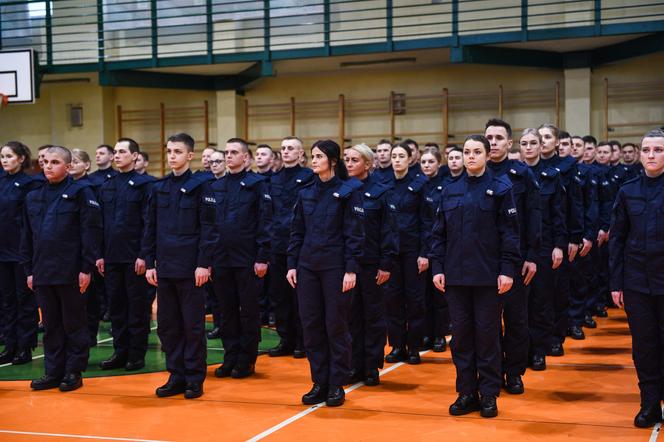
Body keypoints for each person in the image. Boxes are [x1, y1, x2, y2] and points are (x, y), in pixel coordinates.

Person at [431, 134, 520, 419]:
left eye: (476, 152)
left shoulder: (501, 187)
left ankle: (489, 394)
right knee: (461, 338)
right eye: (466, 152)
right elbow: (438, 234)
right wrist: (437, 268)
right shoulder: (449, 189)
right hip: (456, 277)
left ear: (487, 155)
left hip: (487, 278)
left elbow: (510, 233)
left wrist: (507, 270)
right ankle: (466, 392)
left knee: (487, 337)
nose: (470, 156)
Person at [287, 139, 364, 407]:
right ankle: (319, 381)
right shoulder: (305, 193)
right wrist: (292, 264)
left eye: (319, 156)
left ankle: (336, 384)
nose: (313, 160)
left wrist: (351, 269)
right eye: (312, 156)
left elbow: (355, 235)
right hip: (308, 267)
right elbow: (297, 232)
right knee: (312, 326)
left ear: (332, 160)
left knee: (336, 325)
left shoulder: (347, 192)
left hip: (335, 268)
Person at [22, 146, 102, 391]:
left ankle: (73, 372)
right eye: (45, 162)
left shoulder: (81, 192)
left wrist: (86, 268)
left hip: (71, 270)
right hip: (43, 269)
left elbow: (90, 231)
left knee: (74, 323)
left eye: (55, 162)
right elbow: (27, 236)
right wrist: (29, 270)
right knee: (51, 324)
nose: (48, 166)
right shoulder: (34, 195)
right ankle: (53, 372)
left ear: (67, 167)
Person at [144, 132, 218, 399]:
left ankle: (194, 378)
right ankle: (175, 375)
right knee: (167, 325)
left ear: (190, 155)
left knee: (192, 326)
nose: (171, 156)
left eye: (177, 151)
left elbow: (209, 228)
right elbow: (150, 227)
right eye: (169, 151)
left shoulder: (202, 186)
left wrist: (203, 264)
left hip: (190, 268)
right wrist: (149, 260)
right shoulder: (159, 188)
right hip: (165, 266)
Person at [609, 128, 664, 428]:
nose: (651, 155)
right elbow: (617, 239)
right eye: (647, 150)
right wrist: (616, 283)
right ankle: (649, 403)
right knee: (644, 345)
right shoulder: (627, 190)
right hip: (637, 281)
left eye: (658, 150)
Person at [485, 118, 540, 391]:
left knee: (516, 319)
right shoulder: (474, 174)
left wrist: (531, 255)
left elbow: (533, 217)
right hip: (483, 260)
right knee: (487, 322)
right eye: (489, 137)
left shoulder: (521, 174)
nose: (493, 142)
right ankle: (491, 373)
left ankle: (515, 372)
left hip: (516, 258)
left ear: (509, 143)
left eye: (498, 137)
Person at [211, 138, 271, 379]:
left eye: (234, 152)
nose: (228, 156)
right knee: (225, 311)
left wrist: (262, 256)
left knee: (248, 311)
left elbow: (265, 221)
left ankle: (246, 360)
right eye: (226, 152)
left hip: (247, 259)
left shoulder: (257, 184)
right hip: (221, 258)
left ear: (245, 158)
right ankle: (230, 357)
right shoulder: (216, 186)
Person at [96, 138, 153, 372]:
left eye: (122, 152)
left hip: (134, 258)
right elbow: (99, 223)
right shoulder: (106, 185)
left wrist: (144, 255)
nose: (117, 155)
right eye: (116, 152)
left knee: (137, 308)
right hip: (111, 257)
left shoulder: (146, 185)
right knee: (117, 308)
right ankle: (120, 352)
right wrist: (98, 254)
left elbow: (149, 223)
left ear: (135, 156)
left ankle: (136, 354)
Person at [344, 143, 398, 386]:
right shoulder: (343, 191)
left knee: (373, 317)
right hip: (349, 265)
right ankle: (354, 363)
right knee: (351, 316)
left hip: (373, 264)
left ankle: (371, 366)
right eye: (347, 159)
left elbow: (389, 229)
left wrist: (386, 263)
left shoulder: (381, 191)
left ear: (368, 164)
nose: (349, 164)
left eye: (355, 160)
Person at [520, 129, 567, 365]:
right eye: (524, 143)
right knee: (520, 305)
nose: (528, 147)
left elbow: (559, 214)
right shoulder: (513, 175)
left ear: (541, 147)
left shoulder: (552, 176)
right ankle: (522, 350)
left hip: (545, 246)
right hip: (520, 247)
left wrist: (559, 245)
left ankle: (539, 349)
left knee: (542, 301)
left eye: (533, 143)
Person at [383, 142, 431, 364]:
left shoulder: (420, 184)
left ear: (411, 159)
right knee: (392, 299)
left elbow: (427, 221)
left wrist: (425, 252)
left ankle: (413, 346)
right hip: (391, 251)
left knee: (414, 300)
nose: (397, 159)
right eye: (394, 156)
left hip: (413, 250)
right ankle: (396, 345)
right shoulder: (383, 183)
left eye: (402, 156)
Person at [538, 126, 584, 351]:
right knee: (539, 294)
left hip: (561, 235)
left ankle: (556, 337)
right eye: (540, 137)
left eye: (548, 137)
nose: (543, 141)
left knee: (558, 289)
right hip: (538, 237)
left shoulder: (568, 167)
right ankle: (540, 338)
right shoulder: (531, 167)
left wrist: (575, 237)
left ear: (557, 142)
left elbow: (574, 204)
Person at [268, 136, 314, 358]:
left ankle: (302, 341)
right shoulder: (274, 179)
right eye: (283, 148)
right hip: (278, 244)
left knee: (300, 297)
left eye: (290, 148)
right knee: (280, 296)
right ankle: (285, 339)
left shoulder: (308, 177)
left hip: (300, 245)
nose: (285, 152)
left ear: (300, 153)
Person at [0, 141, 44, 365]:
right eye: (2, 156)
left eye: (9, 156)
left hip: (20, 252)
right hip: (2, 252)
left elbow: (31, 219)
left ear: (21, 159)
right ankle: (9, 344)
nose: (5, 160)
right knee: (6, 302)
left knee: (24, 301)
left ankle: (25, 347)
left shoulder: (30, 183)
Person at [69, 149, 104, 347]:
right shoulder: (62, 187)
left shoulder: (93, 187)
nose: (72, 164)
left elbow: (95, 224)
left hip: (89, 252)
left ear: (87, 165)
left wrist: (96, 253)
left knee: (90, 298)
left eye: (76, 161)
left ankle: (90, 334)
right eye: (70, 161)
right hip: (68, 254)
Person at [420, 147, 450, 352]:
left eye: (431, 161)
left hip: (438, 245)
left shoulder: (445, 186)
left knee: (439, 295)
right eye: (423, 162)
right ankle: (427, 333)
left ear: (439, 164)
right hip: (421, 246)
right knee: (422, 296)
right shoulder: (418, 186)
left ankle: (440, 335)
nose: (427, 165)